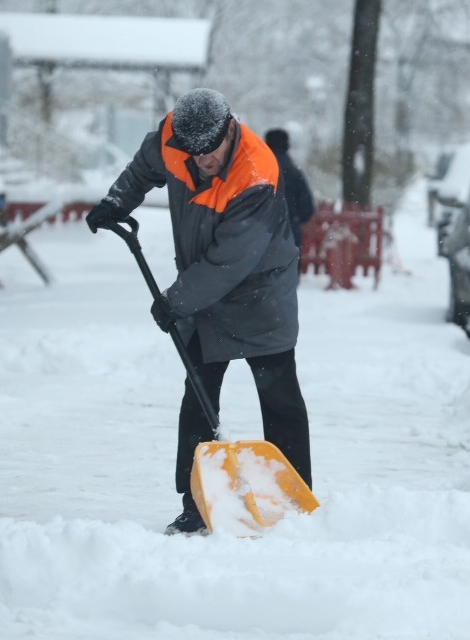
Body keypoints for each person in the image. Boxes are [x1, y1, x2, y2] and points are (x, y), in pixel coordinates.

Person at [85, 88, 312, 536]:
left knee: (279, 394)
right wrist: (117, 201)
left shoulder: (256, 174)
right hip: (201, 287)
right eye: (193, 153)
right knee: (199, 396)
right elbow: (144, 167)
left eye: (210, 153)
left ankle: (293, 498)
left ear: (229, 130)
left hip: (260, 291)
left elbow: (232, 259)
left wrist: (176, 301)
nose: (202, 162)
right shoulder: (176, 139)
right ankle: (196, 502)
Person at [264, 128, 316, 248]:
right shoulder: (294, 173)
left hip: (262, 238)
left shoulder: (258, 172)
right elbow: (307, 209)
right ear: (287, 145)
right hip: (290, 236)